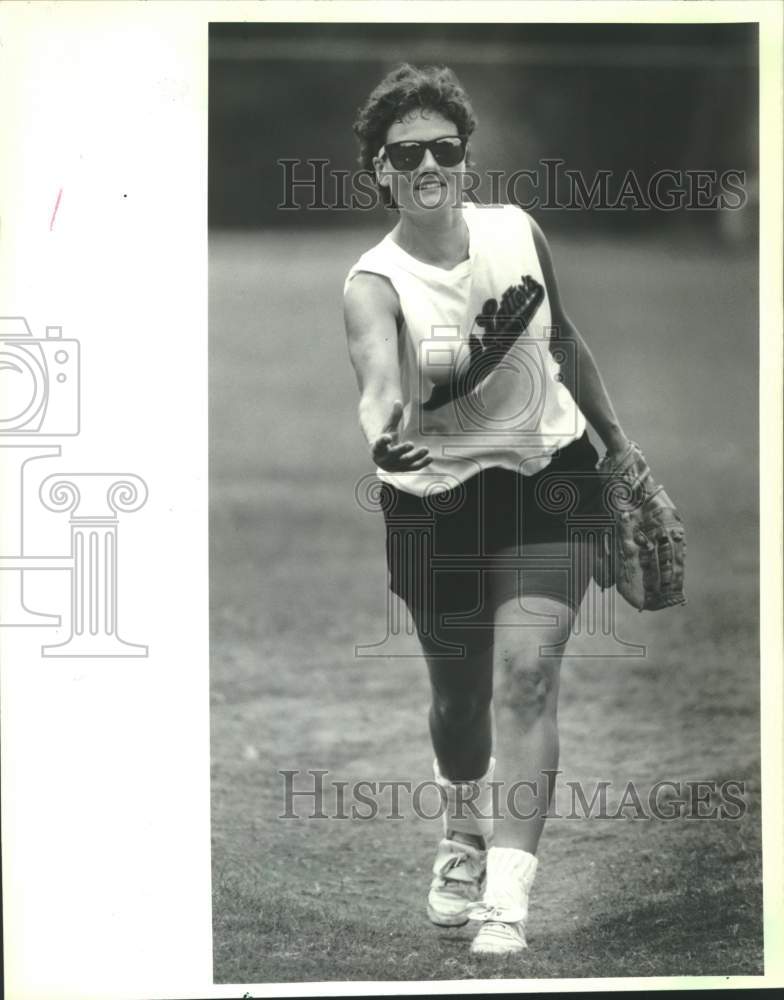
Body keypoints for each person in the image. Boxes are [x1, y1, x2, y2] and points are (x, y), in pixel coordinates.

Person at [342, 64, 632, 958]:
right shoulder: (373, 281)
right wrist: (381, 433)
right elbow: (379, 385)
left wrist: (621, 449)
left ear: (465, 158)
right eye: (406, 152)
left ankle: (507, 898)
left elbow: (567, 341)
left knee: (526, 678)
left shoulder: (518, 231)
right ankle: (461, 832)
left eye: (444, 148)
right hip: (435, 500)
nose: (427, 162)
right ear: (380, 170)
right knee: (459, 699)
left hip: (551, 479)